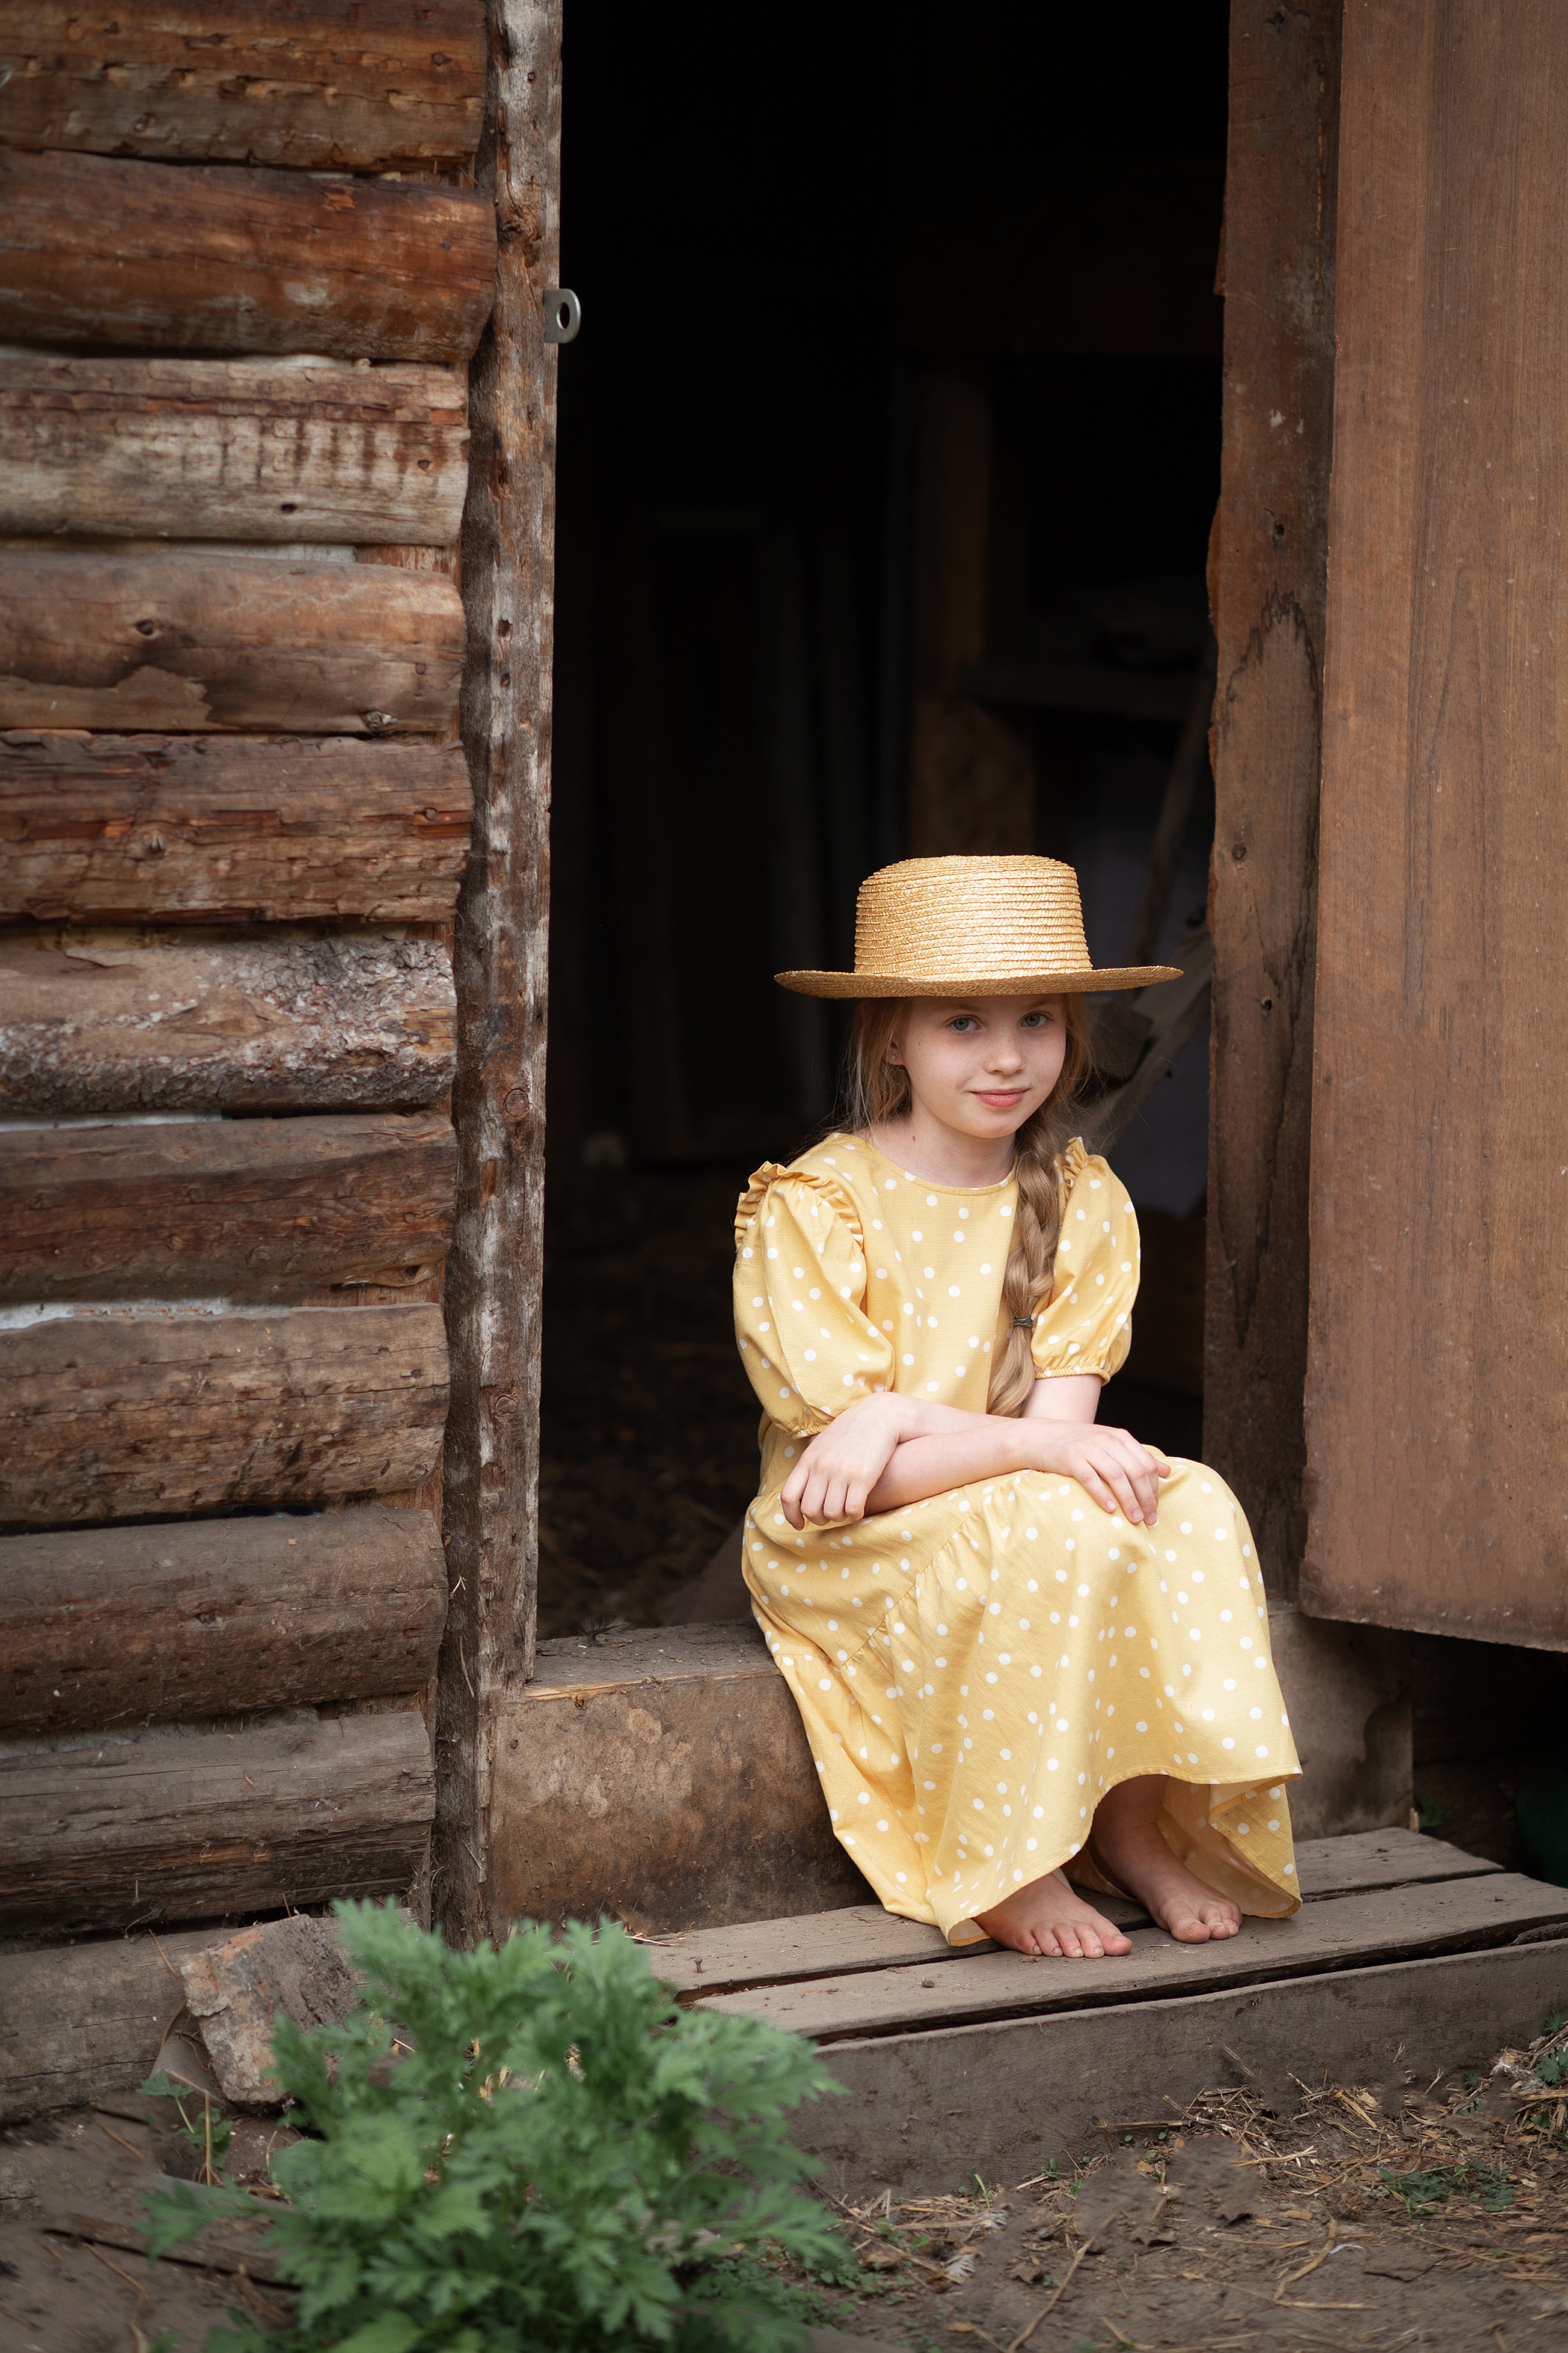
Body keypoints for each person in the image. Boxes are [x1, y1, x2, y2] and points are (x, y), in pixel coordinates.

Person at [732, 854, 1300, 1959]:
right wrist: (917, 1436)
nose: (1006, 1057)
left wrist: (898, 1413)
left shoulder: (1081, 1200)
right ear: (892, 1035)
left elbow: (1064, 1440)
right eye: (961, 1023)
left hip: (985, 1490)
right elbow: (850, 1484)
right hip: (846, 1538)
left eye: (1036, 1019)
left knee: (1176, 1501)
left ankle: (1129, 1829)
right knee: (1051, 1515)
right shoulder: (816, 1204)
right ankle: (1014, 1858)